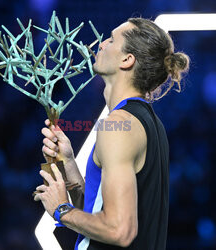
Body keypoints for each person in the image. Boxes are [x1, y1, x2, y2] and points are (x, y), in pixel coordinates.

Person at [34, 17, 189, 249]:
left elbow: (119, 230)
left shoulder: (118, 125)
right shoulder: (144, 122)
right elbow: (101, 210)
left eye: (111, 39)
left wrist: (61, 210)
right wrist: (68, 163)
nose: (101, 43)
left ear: (127, 60)